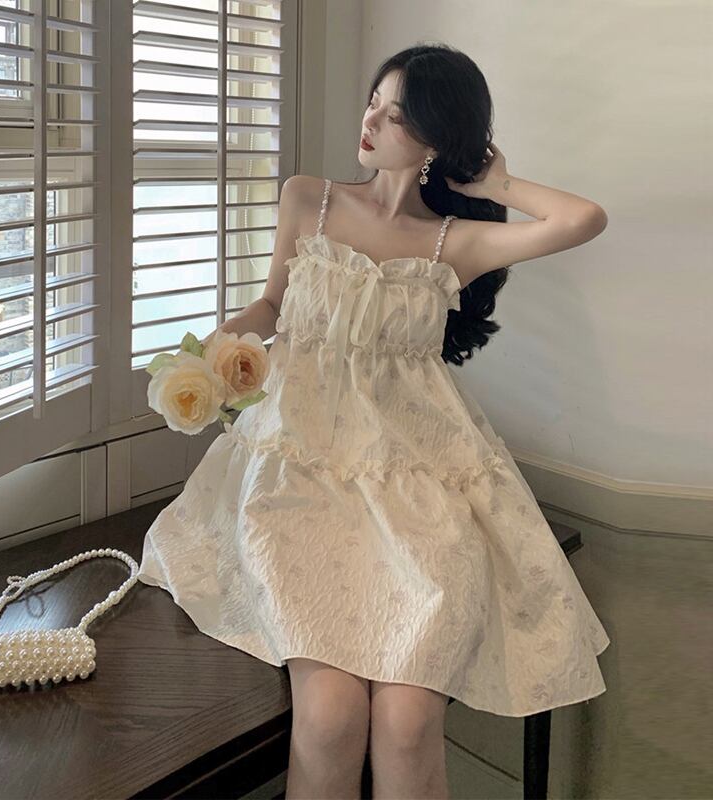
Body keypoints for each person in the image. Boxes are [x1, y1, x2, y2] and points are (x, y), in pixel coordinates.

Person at [139, 43, 610, 800]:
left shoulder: (457, 242)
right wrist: (206, 356)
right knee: (328, 719)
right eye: (373, 102)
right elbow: (272, 305)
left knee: (408, 723)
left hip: (416, 485)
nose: (370, 121)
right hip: (300, 474)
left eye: (397, 116)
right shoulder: (308, 198)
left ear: (435, 141)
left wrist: (497, 182)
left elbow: (583, 219)